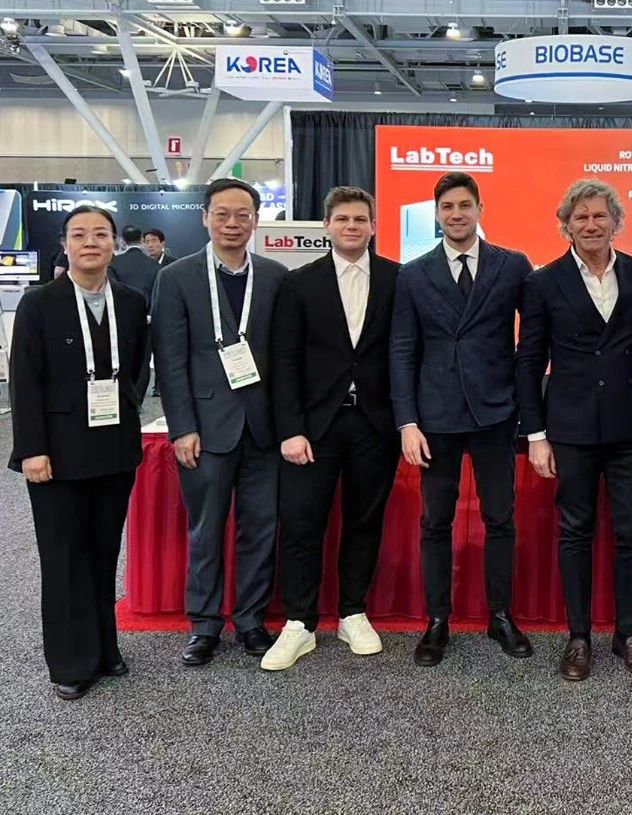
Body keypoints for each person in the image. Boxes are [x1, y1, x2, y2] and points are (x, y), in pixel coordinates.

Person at [516, 179, 632, 681]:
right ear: (566, 226)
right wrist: (535, 434)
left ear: (615, 222)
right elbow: (529, 360)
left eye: (600, 215)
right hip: (570, 429)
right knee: (575, 532)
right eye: (581, 217)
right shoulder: (542, 282)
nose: (591, 224)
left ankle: (628, 634)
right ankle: (578, 637)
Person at [389, 172, 534, 667]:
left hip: (496, 412)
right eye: (447, 206)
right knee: (436, 521)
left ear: (479, 209)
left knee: (500, 518)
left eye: (465, 205)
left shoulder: (512, 265)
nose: (456, 214)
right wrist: (407, 422)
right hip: (435, 418)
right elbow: (402, 350)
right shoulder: (413, 274)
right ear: (437, 214)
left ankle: (500, 615)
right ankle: (437, 620)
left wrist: (526, 403)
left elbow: (534, 337)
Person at [7, 205, 149, 700]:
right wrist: (32, 449)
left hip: (114, 448)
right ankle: (70, 661)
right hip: (56, 454)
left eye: (101, 234)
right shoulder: (39, 303)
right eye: (80, 234)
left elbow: (138, 367)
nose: (91, 242)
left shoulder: (130, 301)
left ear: (114, 244)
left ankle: (105, 648)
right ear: (65, 245)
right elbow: (24, 381)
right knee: (64, 556)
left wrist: (128, 410)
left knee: (103, 551)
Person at [261, 187, 401, 671]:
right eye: (342, 219)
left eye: (361, 219)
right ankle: (299, 622)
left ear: (373, 226)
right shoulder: (299, 283)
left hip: (375, 424)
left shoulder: (397, 279)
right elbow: (284, 360)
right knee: (301, 522)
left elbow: (405, 352)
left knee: (364, 521)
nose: (352, 226)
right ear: (326, 226)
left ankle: (352, 612)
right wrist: (290, 429)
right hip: (313, 427)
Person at [151, 178, 287, 667]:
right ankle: (204, 625)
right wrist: (182, 427)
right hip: (205, 429)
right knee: (205, 529)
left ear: (256, 220)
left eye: (243, 215)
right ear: (205, 217)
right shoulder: (177, 277)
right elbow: (170, 359)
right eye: (223, 214)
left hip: (263, 428)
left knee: (261, 528)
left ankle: (250, 620)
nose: (233, 223)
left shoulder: (275, 276)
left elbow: (284, 356)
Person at [109, 225, 161, 311]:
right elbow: (158, 295)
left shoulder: (113, 263)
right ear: (141, 240)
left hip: (121, 313)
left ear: (122, 241)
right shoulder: (155, 265)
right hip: (147, 315)